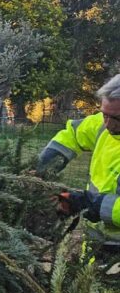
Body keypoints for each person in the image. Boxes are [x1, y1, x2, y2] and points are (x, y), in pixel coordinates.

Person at [37, 73, 120, 249]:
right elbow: (72, 135)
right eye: (104, 114)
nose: (107, 124)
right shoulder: (104, 123)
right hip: (95, 242)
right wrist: (44, 167)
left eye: (116, 119)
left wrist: (89, 204)